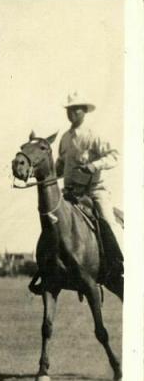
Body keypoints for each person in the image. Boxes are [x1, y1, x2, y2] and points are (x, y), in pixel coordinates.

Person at [55, 91, 123, 275]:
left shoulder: (94, 134)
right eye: (69, 109)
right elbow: (60, 167)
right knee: (53, 219)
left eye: (75, 109)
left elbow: (115, 155)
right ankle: (50, 268)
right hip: (70, 193)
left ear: (84, 111)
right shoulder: (65, 138)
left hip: (94, 191)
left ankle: (123, 264)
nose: (71, 113)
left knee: (108, 221)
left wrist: (94, 165)